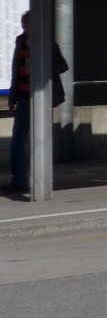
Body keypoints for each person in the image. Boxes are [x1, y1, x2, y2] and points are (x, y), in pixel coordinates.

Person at [4, 12, 68, 195]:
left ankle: (42, 181)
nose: (26, 30)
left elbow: (63, 65)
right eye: (23, 26)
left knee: (40, 141)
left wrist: (43, 68)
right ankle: (19, 180)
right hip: (24, 97)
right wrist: (12, 97)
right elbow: (16, 70)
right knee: (17, 141)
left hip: (42, 97)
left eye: (28, 26)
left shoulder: (46, 41)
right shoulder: (20, 41)